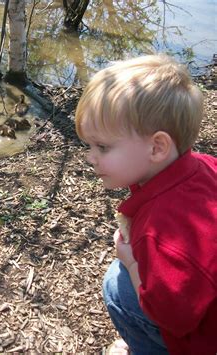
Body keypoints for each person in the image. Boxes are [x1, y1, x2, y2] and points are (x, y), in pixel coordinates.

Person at [74, 54, 217, 354]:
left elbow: (173, 316)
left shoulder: (159, 231)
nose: (90, 157)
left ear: (157, 147)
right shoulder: (205, 166)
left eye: (102, 146)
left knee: (117, 285)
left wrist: (131, 262)